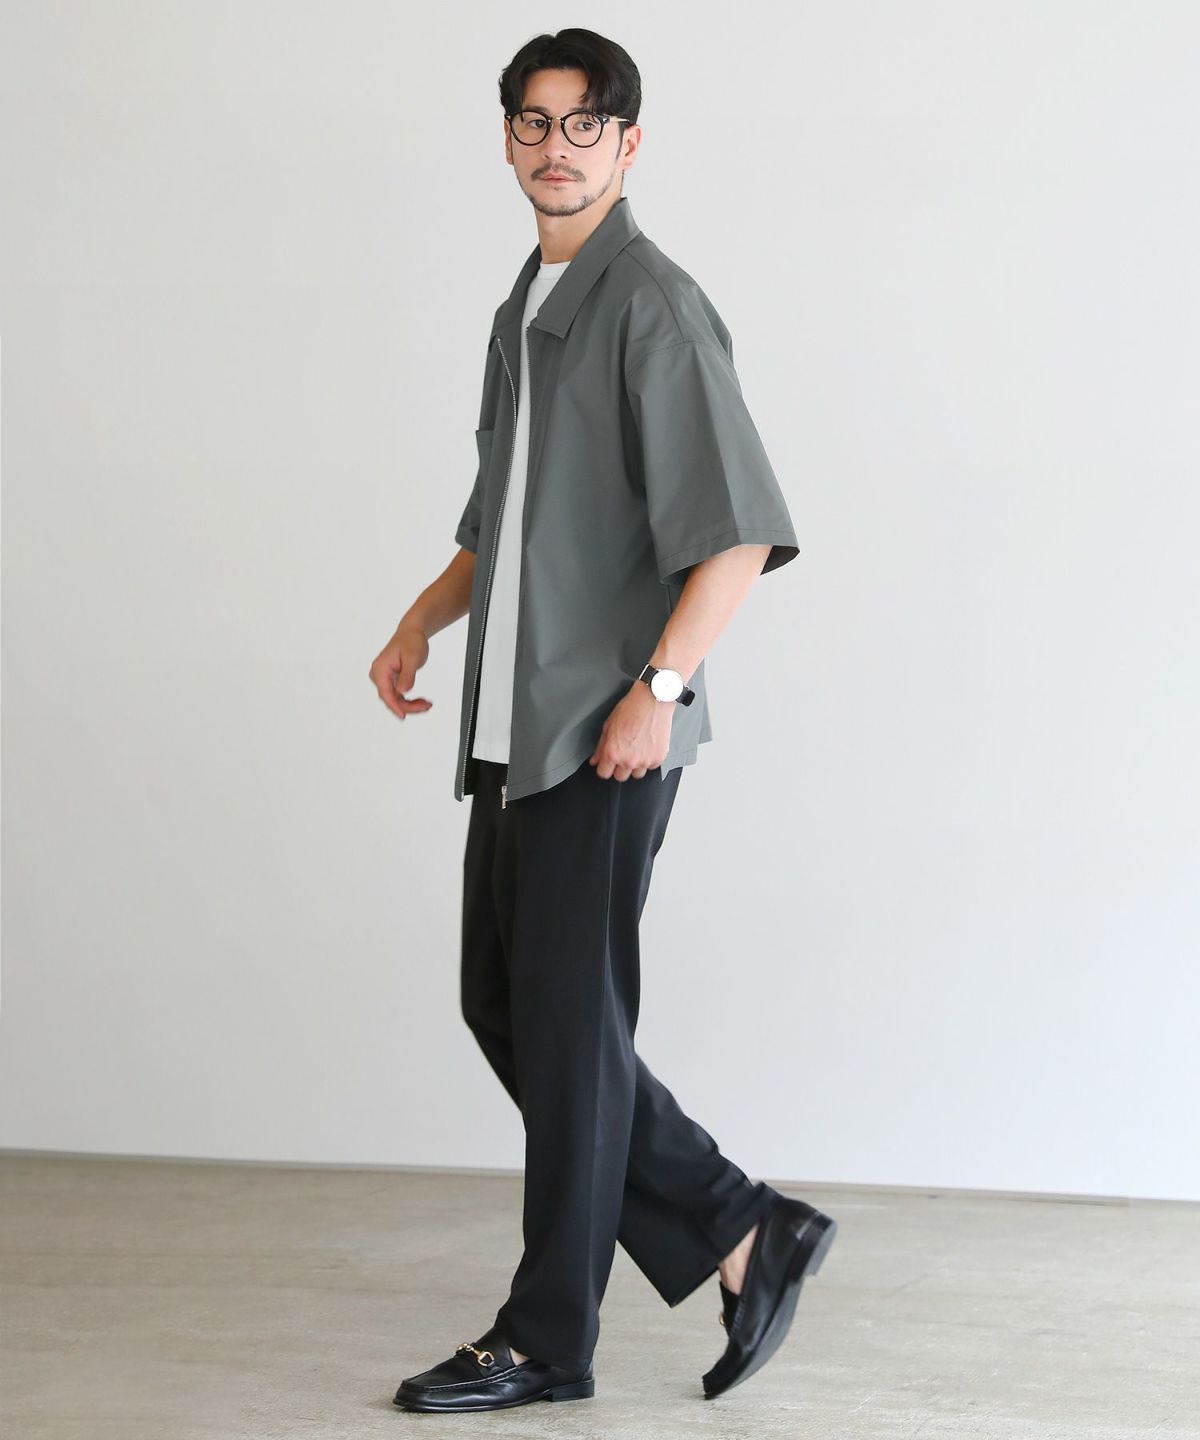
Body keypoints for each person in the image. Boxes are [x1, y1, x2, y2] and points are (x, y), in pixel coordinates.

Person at [369, 27, 837, 1413]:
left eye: (585, 124)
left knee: (569, 1034)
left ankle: (547, 1338)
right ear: (508, 140)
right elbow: (500, 523)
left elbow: (736, 535)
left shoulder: (655, 306)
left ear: (630, 145)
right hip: (517, 728)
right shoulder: (527, 306)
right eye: (534, 122)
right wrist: (419, 622)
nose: (556, 146)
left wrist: (659, 690)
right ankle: (742, 1226)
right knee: (509, 1006)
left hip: (601, 730)